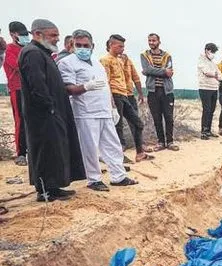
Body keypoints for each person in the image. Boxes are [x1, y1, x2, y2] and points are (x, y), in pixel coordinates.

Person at [58, 29, 138, 192]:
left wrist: (112, 107)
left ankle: (119, 176)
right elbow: (68, 88)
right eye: (78, 45)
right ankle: (94, 179)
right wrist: (85, 87)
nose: (82, 48)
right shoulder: (67, 63)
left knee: (113, 145)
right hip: (85, 112)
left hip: (104, 110)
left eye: (85, 45)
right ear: (72, 45)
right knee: (90, 147)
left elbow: (106, 86)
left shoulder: (97, 63)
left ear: (92, 45)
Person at [19, 19, 86, 202]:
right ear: (37, 34)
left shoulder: (43, 53)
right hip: (42, 114)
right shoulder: (32, 53)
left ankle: (53, 186)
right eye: (53, 35)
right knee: (44, 150)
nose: (57, 39)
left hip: (51, 112)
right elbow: (37, 85)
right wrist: (49, 107)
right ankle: (44, 190)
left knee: (54, 149)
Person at [101, 34, 150, 163]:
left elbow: (134, 77)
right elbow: (106, 82)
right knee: (117, 127)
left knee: (138, 123)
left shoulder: (120, 60)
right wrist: (111, 102)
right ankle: (117, 157)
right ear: (111, 45)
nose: (122, 49)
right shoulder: (105, 60)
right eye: (120, 46)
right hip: (115, 95)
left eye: (123, 46)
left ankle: (140, 153)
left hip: (124, 94)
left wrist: (138, 93)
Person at [141, 33, 178, 151]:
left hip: (167, 90)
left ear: (159, 42)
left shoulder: (167, 56)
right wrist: (162, 71)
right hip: (153, 90)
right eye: (149, 41)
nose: (151, 43)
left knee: (169, 117)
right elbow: (147, 69)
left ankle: (170, 142)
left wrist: (150, 71)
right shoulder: (144, 55)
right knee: (156, 118)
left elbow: (170, 72)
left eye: (154, 40)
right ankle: (161, 142)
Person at [3, 22, 31, 166]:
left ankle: (31, 150)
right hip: (17, 89)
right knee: (20, 120)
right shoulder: (10, 49)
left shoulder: (28, 48)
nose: (25, 37)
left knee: (32, 119)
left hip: (31, 88)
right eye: (22, 34)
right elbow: (19, 66)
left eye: (26, 34)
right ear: (13, 34)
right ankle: (20, 153)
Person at [197, 43, 222, 139]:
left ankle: (208, 130)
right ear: (207, 50)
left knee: (212, 110)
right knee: (206, 110)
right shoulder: (201, 60)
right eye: (212, 51)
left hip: (214, 88)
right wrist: (215, 75)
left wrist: (215, 75)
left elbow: (220, 76)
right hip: (205, 88)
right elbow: (207, 72)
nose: (213, 54)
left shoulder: (213, 63)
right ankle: (203, 132)